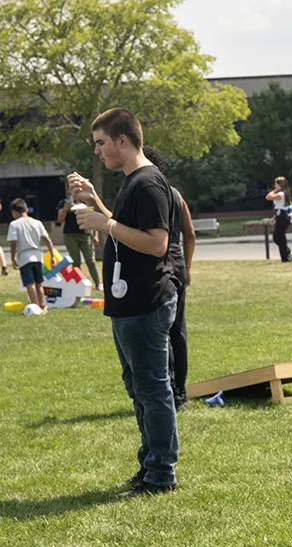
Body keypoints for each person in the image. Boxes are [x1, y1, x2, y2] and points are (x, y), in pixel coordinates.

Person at [66, 108, 185, 497]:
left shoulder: (149, 183)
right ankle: (150, 467)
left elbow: (156, 243)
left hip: (145, 303)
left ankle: (161, 476)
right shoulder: (134, 181)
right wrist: (95, 200)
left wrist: (106, 224)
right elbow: (123, 227)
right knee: (140, 389)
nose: (97, 151)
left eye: (101, 142)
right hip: (129, 304)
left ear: (122, 140)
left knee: (153, 390)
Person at [142, 148, 196, 412]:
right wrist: (188, 266)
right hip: (178, 264)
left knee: (161, 329)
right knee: (179, 330)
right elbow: (191, 234)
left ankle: (171, 391)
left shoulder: (147, 193)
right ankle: (182, 392)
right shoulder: (176, 194)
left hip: (159, 267)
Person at [8, 198, 55, 311]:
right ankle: (42, 305)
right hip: (38, 255)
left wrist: (13, 258)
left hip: (24, 257)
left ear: (14, 212)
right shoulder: (37, 222)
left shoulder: (14, 224)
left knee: (30, 283)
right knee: (39, 283)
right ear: (26, 209)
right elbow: (47, 239)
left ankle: (34, 307)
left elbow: (13, 242)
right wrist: (52, 256)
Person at [56, 195, 102, 292]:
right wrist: (65, 209)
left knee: (90, 260)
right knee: (76, 261)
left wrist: (96, 234)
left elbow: (93, 218)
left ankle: (98, 283)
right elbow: (60, 220)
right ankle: (78, 284)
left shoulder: (86, 202)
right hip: (70, 235)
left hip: (85, 234)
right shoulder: (64, 202)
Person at [267, 177, 292, 262]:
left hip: (283, 216)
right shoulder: (282, 194)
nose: (275, 186)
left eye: (276, 184)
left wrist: (275, 190)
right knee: (277, 237)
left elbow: (268, 197)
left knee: (279, 237)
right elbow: (278, 207)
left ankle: (285, 258)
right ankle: (287, 252)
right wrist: (274, 217)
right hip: (280, 215)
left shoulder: (282, 194)